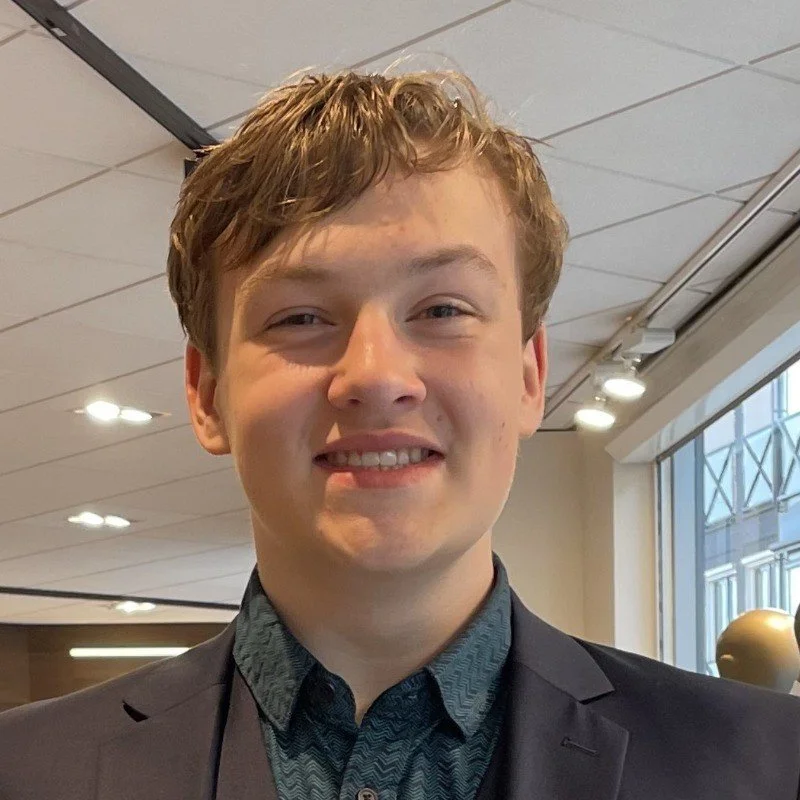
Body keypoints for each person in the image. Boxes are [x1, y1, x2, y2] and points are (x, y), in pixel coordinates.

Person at [1, 69, 799, 800]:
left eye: (443, 309)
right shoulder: (25, 771)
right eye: (300, 318)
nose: (376, 375)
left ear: (529, 376)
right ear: (208, 394)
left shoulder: (768, 764)